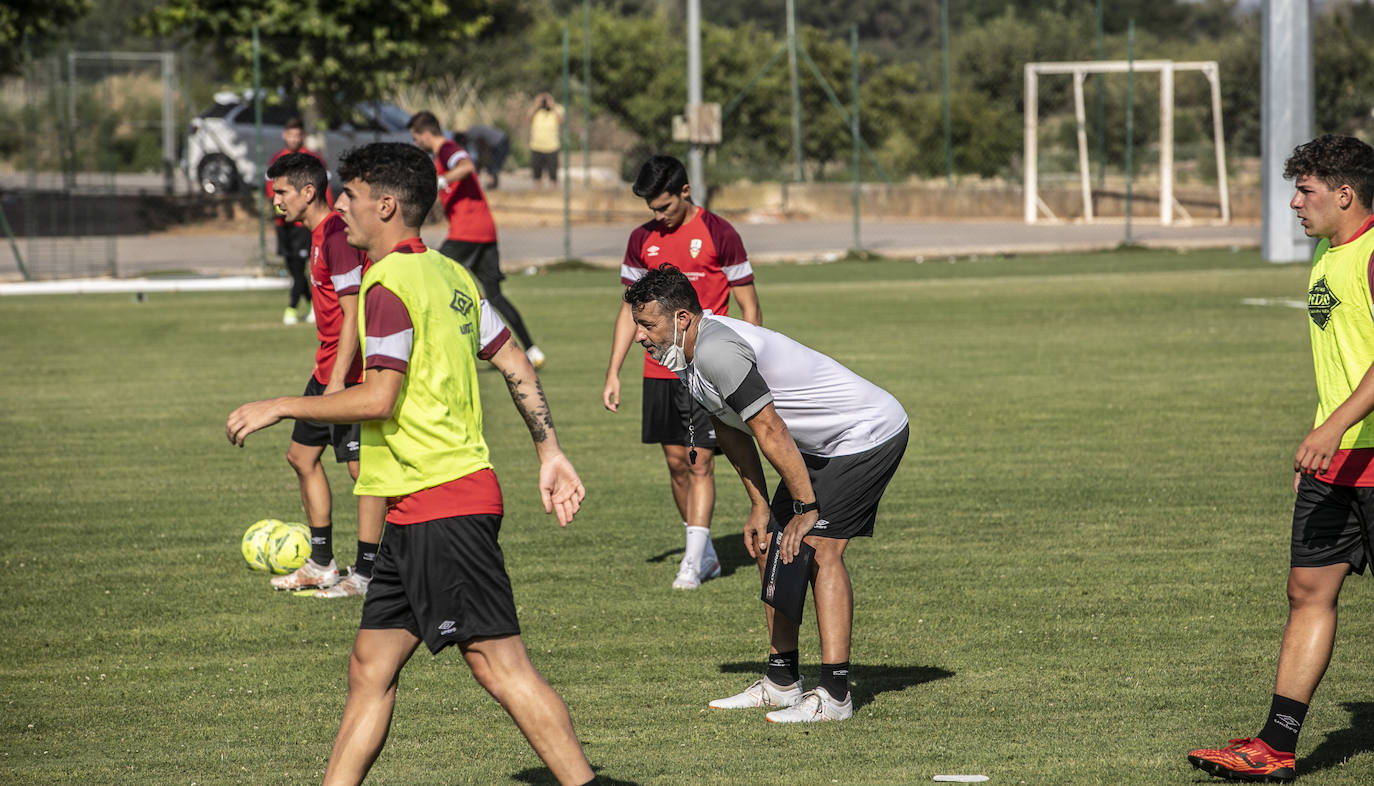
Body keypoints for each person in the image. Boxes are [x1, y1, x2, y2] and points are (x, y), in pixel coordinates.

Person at [226, 141, 598, 785]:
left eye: (351, 195)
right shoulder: (453, 276)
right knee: (371, 667)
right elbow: (514, 363)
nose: (339, 206)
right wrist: (550, 449)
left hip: (441, 502)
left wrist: (285, 404)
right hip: (414, 507)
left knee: (500, 668)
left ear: (387, 205)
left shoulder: (389, 283)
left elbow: (380, 395)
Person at [623, 264, 908, 723]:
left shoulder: (716, 350)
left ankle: (835, 694)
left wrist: (807, 508)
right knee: (770, 545)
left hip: (866, 431)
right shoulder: (686, 356)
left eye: (647, 324)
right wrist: (759, 505)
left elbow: (768, 427)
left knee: (818, 548)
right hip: (816, 446)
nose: (639, 335)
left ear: (681, 319)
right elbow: (730, 431)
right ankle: (781, 682)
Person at [1187, 135, 1374, 783]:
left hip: (1366, 454)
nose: (1295, 203)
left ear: (1345, 194)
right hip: (1338, 461)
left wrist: (1334, 429)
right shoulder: (1327, 253)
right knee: (1306, 591)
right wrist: (1323, 441)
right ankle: (1276, 744)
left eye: (1307, 191)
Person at [602, 155, 761, 590]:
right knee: (676, 463)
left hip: (704, 367)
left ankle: (691, 562)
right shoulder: (642, 240)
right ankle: (703, 552)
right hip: (657, 372)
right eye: (651, 209)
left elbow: (749, 304)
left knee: (700, 462)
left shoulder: (719, 233)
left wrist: (749, 360)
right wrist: (614, 370)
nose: (657, 217)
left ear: (685, 192)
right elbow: (628, 313)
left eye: (664, 207)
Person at [262, 151, 383, 599]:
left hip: (347, 375)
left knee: (362, 471)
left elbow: (353, 313)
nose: (275, 201)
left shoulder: (334, 234)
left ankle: (369, 573)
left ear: (308, 192)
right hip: (327, 368)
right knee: (301, 457)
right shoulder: (318, 235)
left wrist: (337, 383)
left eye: (281, 192)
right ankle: (321, 563)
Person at [406, 111, 546, 369]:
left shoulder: (447, 149)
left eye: (416, 138)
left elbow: (467, 166)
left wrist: (440, 180)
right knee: (494, 296)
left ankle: (433, 351)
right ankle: (532, 351)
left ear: (426, 133)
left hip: (467, 231)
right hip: (484, 229)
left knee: (430, 277)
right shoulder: (443, 153)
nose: (417, 144)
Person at [266, 117, 323, 325]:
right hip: (284, 225)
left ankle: (291, 307)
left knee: (300, 267)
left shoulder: (312, 160)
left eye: (297, 135)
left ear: (302, 136)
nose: (293, 139)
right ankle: (311, 305)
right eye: (290, 135)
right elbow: (269, 189)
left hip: (301, 225)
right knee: (293, 268)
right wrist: (278, 207)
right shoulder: (277, 160)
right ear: (284, 135)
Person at [527, 93, 563, 189]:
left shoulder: (557, 109)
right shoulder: (536, 111)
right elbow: (529, 118)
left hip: (552, 147)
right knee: (537, 176)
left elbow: (561, 120)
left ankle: (553, 196)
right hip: (536, 146)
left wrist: (552, 106)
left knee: (553, 176)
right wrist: (536, 105)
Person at [461, 124, 511, 190]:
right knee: (493, 164)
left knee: (494, 165)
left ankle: (491, 184)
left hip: (499, 142)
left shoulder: (471, 135)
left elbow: (475, 155)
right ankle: (492, 184)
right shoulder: (473, 131)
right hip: (502, 139)